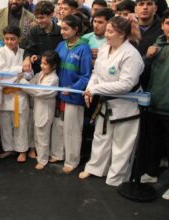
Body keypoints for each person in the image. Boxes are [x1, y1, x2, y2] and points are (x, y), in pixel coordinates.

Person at [79, 16, 144, 186]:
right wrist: (90, 88)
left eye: (110, 31)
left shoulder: (131, 55)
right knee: (100, 137)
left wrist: (96, 90)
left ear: (122, 34)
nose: (105, 34)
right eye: (106, 30)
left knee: (122, 144)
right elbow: (96, 73)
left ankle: (116, 178)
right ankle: (94, 168)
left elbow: (125, 85)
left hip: (126, 106)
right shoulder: (103, 49)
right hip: (105, 103)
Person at [52, 14, 92, 174]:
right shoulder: (61, 45)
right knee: (58, 126)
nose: (62, 31)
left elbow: (86, 75)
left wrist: (73, 88)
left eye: (66, 29)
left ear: (76, 30)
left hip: (74, 97)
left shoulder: (84, 48)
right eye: (61, 28)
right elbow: (52, 63)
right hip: (58, 94)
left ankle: (72, 160)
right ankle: (58, 154)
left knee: (72, 129)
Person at [141, 10, 169, 199]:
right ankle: (151, 172)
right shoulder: (158, 43)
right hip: (155, 101)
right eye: (167, 23)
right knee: (155, 141)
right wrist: (148, 57)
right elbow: (143, 68)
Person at [0, 25, 30, 162]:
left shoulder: (23, 53)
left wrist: (22, 73)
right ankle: (8, 148)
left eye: (13, 39)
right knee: (5, 124)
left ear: (19, 39)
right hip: (5, 93)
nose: (9, 42)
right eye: (6, 39)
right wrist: (20, 69)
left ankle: (22, 150)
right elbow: (2, 72)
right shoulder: (0, 52)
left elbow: (29, 73)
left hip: (20, 93)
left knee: (21, 123)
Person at [21, 50, 60, 170]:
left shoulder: (53, 79)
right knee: (38, 136)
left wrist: (21, 82)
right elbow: (31, 83)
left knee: (43, 137)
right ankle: (41, 156)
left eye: (45, 64)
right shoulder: (41, 74)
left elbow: (38, 92)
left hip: (45, 112)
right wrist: (22, 78)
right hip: (38, 110)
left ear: (53, 66)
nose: (42, 66)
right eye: (41, 63)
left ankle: (43, 160)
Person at [23, 0, 63, 74]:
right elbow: (28, 50)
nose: (38, 21)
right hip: (36, 72)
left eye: (41, 18)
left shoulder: (60, 32)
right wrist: (27, 58)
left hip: (55, 73)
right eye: (36, 18)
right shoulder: (34, 31)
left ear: (51, 15)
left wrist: (39, 58)